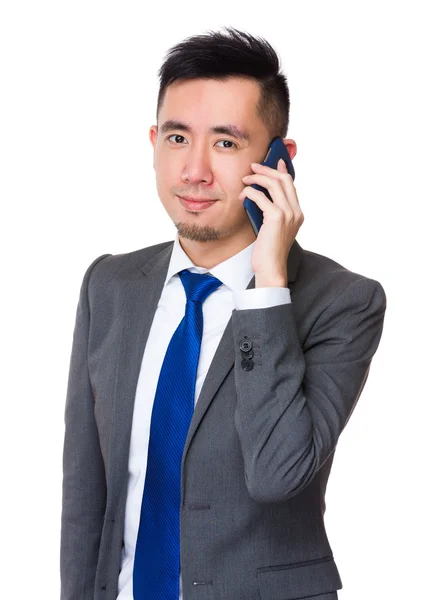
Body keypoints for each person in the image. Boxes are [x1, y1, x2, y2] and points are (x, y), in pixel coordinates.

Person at [60, 26, 387, 600]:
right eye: (179, 138)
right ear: (154, 141)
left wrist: (268, 283)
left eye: (227, 143)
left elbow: (277, 474)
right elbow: (87, 492)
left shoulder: (343, 303)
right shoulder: (108, 286)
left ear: (278, 161)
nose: (195, 171)